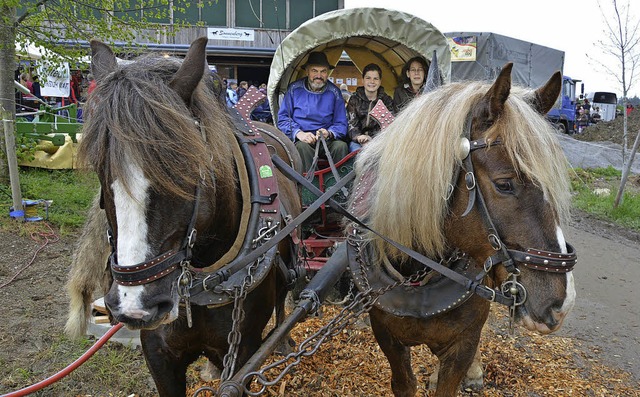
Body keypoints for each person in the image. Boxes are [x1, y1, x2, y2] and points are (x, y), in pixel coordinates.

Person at [277, 51, 348, 172]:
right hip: (303, 139)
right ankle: (307, 188)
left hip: (326, 140)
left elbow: (341, 123)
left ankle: (338, 187)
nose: (319, 75)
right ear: (307, 71)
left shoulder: (335, 92)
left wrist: (329, 133)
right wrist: (299, 133)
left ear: (327, 73)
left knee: (341, 146)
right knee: (302, 148)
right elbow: (283, 119)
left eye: (323, 71)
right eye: (315, 71)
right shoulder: (294, 89)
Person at [346, 63, 396, 152]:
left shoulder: (386, 100)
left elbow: (389, 125)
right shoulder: (354, 99)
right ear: (363, 80)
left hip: (378, 141)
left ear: (380, 81)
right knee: (356, 153)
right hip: (357, 141)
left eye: (375, 79)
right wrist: (359, 137)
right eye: (368, 78)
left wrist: (372, 139)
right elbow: (351, 123)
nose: (372, 82)